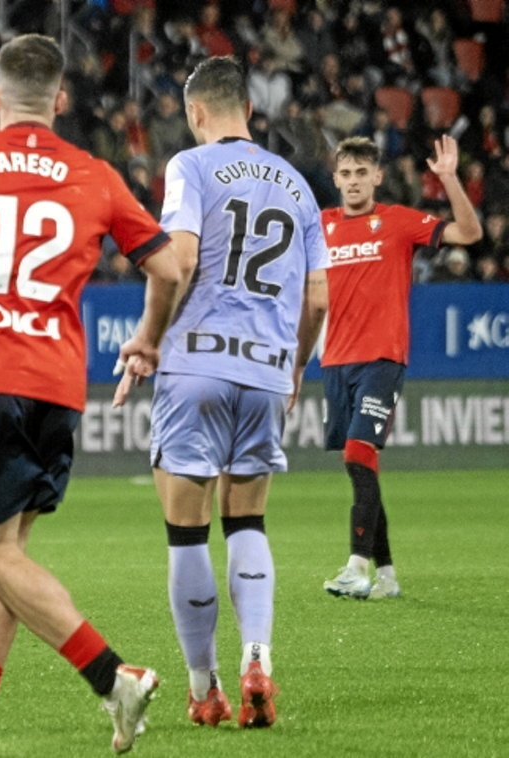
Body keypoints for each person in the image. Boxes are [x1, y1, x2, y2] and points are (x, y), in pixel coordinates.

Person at [0, 34, 190, 756]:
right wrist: (147, 339)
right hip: (58, 385)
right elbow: (169, 269)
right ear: (60, 100)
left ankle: (114, 675)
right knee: (8, 551)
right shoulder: (96, 174)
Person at [114, 56, 330, 730]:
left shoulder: (190, 166)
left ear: (196, 112)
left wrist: (148, 339)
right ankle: (257, 660)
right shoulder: (298, 185)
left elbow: (179, 261)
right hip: (266, 370)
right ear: (249, 110)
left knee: (187, 533)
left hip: (196, 363)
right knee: (247, 524)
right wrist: (295, 367)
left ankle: (205, 687)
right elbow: (318, 300)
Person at [319, 135, 482, 599]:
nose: (353, 181)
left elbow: (469, 233)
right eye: (345, 173)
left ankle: (356, 567)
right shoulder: (320, 226)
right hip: (335, 361)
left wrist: (448, 179)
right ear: (336, 179)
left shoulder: (398, 222)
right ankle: (387, 575)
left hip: (382, 357)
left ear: (377, 176)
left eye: (361, 173)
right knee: (363, 465)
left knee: (357, 454)